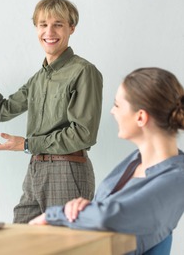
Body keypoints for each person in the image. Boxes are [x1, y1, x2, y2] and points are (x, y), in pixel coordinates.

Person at [0, 0, 103, 223]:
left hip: (67, 169)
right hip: (36, 168)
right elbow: (1, 111)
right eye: (43, 24)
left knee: (63, 245)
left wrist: (27, 144)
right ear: (36, 28)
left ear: (72, 28)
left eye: (58, 24)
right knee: (22, 237)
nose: (49, 31)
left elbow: (84, 132)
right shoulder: (38, 79)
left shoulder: (83, 71)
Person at [30, 67, 184, 254]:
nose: (112, 111)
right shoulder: (135, 161)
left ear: (141, 117)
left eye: (117, 105)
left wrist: (54, 215)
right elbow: (100, 210)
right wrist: (80, 208)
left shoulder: (176, 178)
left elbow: (110, 217)